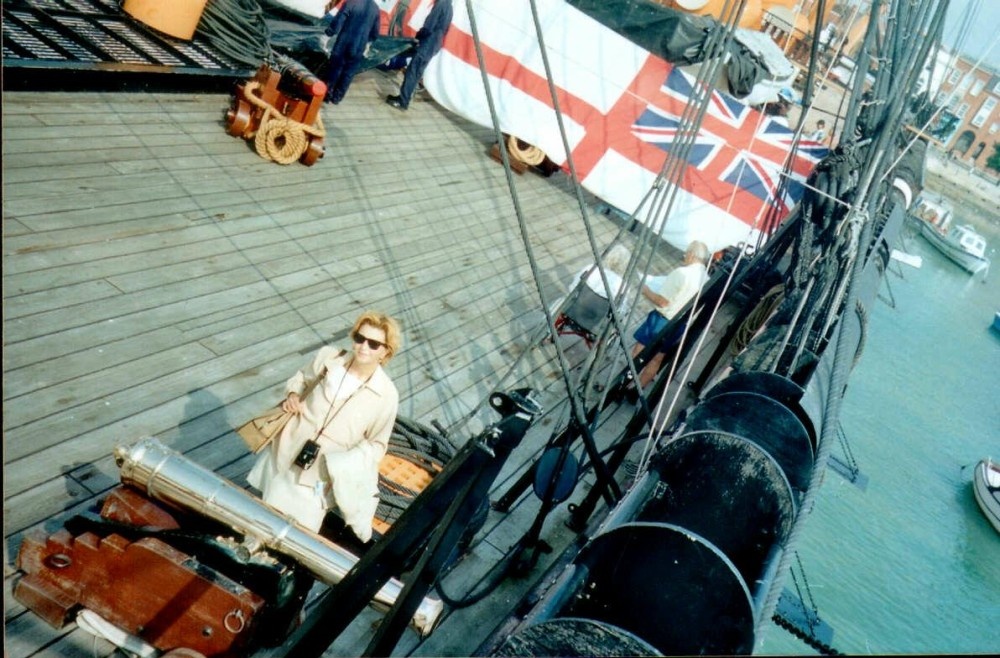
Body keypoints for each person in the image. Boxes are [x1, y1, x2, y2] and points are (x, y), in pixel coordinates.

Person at [248, 310, 401, 542]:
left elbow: (378, 445)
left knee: (300, 531)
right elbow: (300, 378)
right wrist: (292, 394)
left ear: (386, 351)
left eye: (373, 344)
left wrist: (345, 464)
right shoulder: (330, 358)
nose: (363, 347)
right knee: (263, 516)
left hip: (322, 473)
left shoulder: (387, 395)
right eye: (359, 338)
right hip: (288, 450)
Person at [630, 241, 710, 388]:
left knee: (639, 351)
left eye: (686, 253)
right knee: (657, 359)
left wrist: (645, 290)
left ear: (692, 255)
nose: (684, 256)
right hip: (680, 324)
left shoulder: (681, 273)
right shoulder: (707, 280)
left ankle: (624, 383)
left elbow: (662, 302)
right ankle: (638, 389)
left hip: (661, 320)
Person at [386, 0, 453, 110]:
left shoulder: (441, 4)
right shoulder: (449, 6)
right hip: (435, 43)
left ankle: (403, 101)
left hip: (428, 43)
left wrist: (418, 37)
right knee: (417, 72)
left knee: (413, 70)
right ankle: (407, 96)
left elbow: (429, 25)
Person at [323, 0, 381, 105]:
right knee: (348, 73)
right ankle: (337, 97)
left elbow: (339, 20)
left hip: (344, 42)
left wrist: (328, 33)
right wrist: (368, 43)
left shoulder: (351, 2)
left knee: (335, 68)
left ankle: (327, 94)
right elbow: (375, 32)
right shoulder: (375, 8)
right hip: (360, 46)